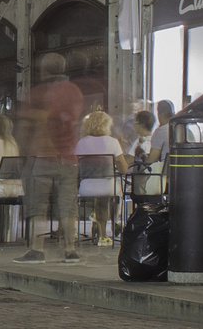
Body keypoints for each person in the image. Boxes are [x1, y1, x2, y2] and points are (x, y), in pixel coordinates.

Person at [16, 53, 85, 264]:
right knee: (68, 205)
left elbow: (26, 127)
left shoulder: (38, 93)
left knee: (38, 205)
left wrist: (23, 155)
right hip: (69, 158)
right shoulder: (74, 91)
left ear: (44, 70)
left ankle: (37, 250)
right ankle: (70, 249)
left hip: (43, 156)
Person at [74, 110, 128, 243]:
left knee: (97, 197)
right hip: (106, 186)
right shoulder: (113, 142)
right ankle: (103, 235)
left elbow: (76, 166)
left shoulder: (81, 143)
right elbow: (123, 168)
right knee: (107, 198)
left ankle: (94, 216)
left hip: (85, 187)